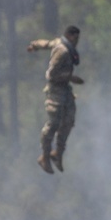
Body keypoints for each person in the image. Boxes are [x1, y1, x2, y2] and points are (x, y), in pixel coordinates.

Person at [27, 25, 83, 174]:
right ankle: (45, 156)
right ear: (70, 37)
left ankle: (58, 152)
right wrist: (71, 77)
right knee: (53, 124)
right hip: (55, 90)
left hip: (65, 90)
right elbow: (51, 74)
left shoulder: (60, 44)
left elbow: (46, 43)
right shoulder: (62, 51)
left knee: (69, 120)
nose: (77, 41)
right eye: (76, 38)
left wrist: (34, 45)